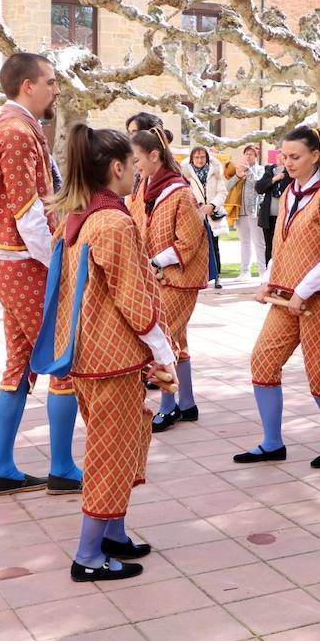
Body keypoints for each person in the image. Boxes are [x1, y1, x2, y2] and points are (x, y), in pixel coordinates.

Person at [37, 123, 175, 582]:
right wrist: (163, 349)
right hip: (112, 356)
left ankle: (112, 533)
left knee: (121, 440)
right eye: (133, 165)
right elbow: (134, 297)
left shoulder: (79, 217)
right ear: (116, 168)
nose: (137, 173)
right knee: (109, 452)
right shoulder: (112, 221)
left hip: (89, 355)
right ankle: (88, 554)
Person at [0, 52, 81, 497]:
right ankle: (63, 468)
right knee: (63, 361)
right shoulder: (16, 132)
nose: (56, 89)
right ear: (27, 85)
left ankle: (3, 468)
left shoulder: (15, 128)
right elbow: (28, 212)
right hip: (24, 264)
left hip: (11, 265)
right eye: (50, 81)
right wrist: (61, 262)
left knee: (18, 365)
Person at [236, 127, 320, 468]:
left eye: (295, 157)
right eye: (283, 157)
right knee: (262, 361)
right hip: (287, 296)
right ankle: (271, 442)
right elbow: (282, 245)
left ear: (316, 155)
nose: (286, 162)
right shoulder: (289, 192)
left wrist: (302, 291)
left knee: (319, 371)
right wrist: (269, 280)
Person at [128, 125, 207, 433]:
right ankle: (186, 404)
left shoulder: (180, 192)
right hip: (155, 277)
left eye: (137, 159)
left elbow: (189, 240)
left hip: (179, 277)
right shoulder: (143, 188)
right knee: (178, 339)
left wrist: (155, 260)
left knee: (162, 338)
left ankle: (168, 407)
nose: (135, 165)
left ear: (155, 155)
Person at [182, 146, 225, 289]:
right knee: (193, 246)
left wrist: (212, 205)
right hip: (194, 214)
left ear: (207, 157)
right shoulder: (185, 174)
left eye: (202, 157)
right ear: (191, 159)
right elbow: (184, 192)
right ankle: (195, 277)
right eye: (196, 157)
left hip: (212, 214)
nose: (199, 160)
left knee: (214, 246)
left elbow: (222, 192)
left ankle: (217, 276)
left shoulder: (216, 172)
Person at [226, 144, 265, 283]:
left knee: (259, 242)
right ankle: (244, 272)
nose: (248, 156)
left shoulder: (261, 169)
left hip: (254, 211)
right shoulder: (238, 170)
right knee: (244, 243)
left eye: (251, 154)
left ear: (256, 156)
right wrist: (238, 175)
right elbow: (227, 187)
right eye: (246, 153)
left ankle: (263, 273)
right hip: (240, 211)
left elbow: (260, 185)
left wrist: (249, 171)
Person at [255, 155, 292, 276]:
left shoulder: (291, 171)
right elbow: (259, 188)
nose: (281, 158)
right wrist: (275, 179)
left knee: (284, 246)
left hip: (285, 217)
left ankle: (283, 274)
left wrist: (284, 175)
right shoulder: (269, 170)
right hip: (269, 216)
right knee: (269, 246)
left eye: (284, 156)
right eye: (279, 156)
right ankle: (269, 275)